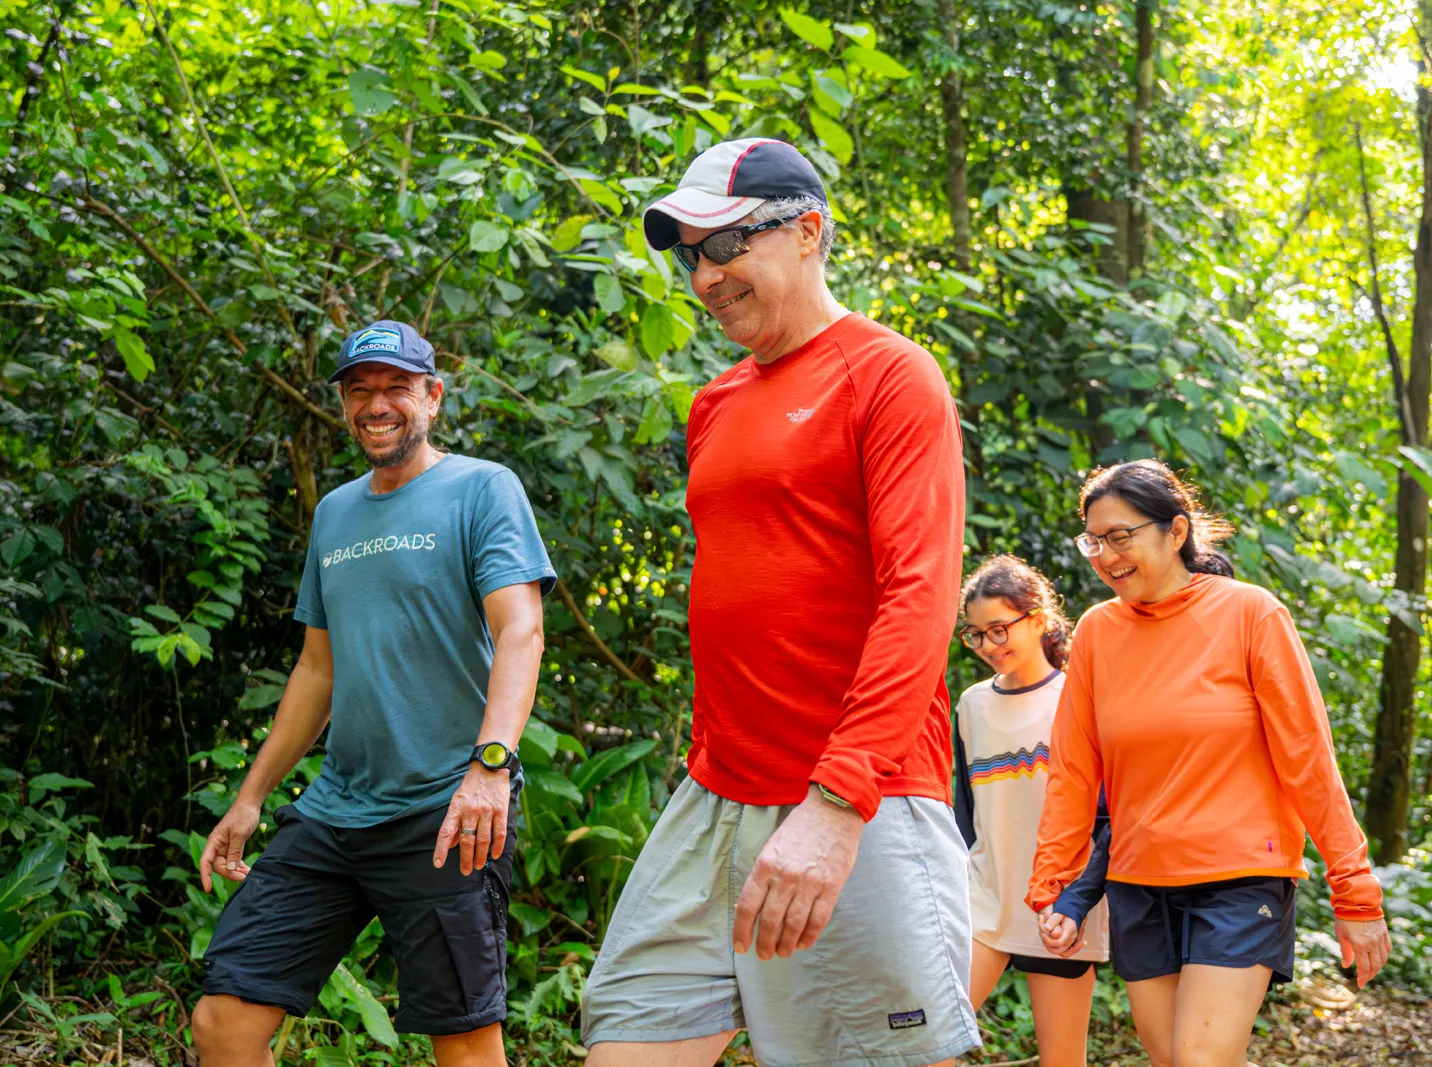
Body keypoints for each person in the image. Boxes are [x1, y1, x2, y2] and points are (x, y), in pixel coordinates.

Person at [581, 139, 979, 1067]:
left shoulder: (889, 373)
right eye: (692, 256)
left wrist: (838, 801)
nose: (706, 276)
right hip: (716, 793)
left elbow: (920, 594)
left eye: (727, 245)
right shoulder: (716, 402)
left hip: (856, 795)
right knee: (625, 1042)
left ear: (809, 232)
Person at [189, 321, 557, 1066]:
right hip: (336, 811)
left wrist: (490, 766)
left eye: (395, 387)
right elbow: (317, 671)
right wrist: (252, 796)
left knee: (464, 1043)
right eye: (360, 390)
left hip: (448, 809)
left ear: (433, 396)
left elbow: (522, 632)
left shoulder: (483, 488)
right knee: (223, 1018)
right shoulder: (335, 513)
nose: (376, 404)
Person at [1030, 459, 1392, 1067]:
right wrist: (1053, 887)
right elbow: (1074, 770)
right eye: (1094, 540)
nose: (1105, 555)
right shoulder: (1095, 633)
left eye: (1122, 536)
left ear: (1175, 531)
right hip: (1139, 884)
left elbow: (1309, 761)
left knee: (1200, 1060)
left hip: (1240, 878)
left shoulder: (1251, 614)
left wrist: (1355, 892)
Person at [952, 555, 1110, 1067]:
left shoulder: (1079, 696)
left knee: (1062, 1060)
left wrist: (1079, 900)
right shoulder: (970, 705)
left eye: (999, 629)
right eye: (975, 634)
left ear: (1039, 618)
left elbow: (1106, 814)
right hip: (984, 900)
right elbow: (964, 813)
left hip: (1059, 907)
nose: (988, 646)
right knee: (925, 1045)